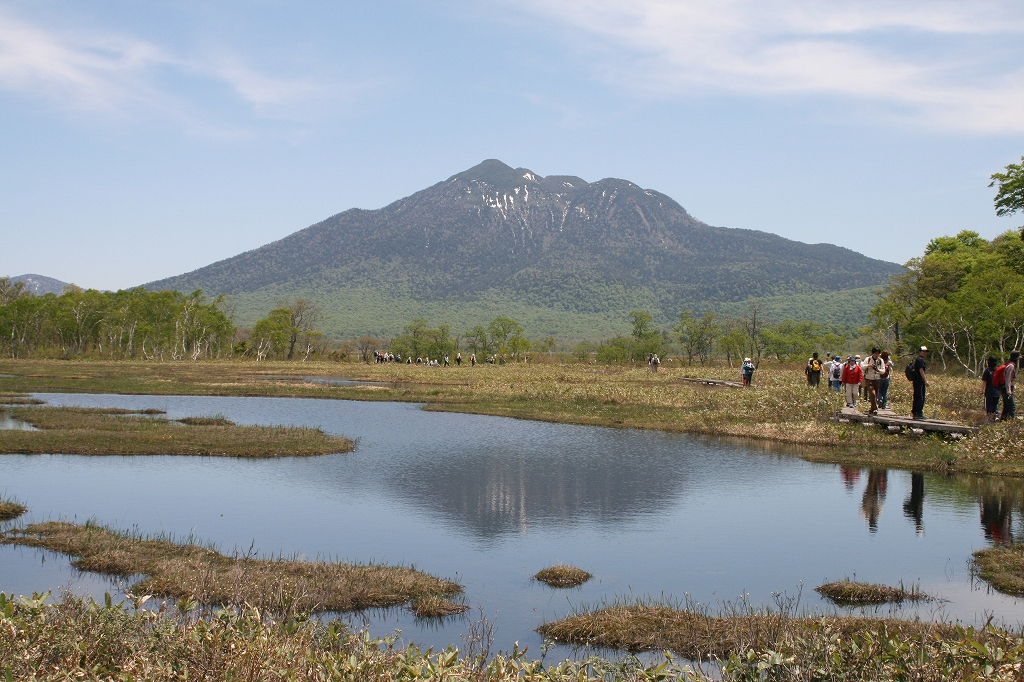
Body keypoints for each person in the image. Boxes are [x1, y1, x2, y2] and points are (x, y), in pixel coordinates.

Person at [861, 348, 884, 415]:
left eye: (878, 353)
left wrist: (878, 370)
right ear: (873, 353)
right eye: (875, 353)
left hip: (877, 379)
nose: (877, 355)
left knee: (875, 395)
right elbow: (862, 367)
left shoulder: (880, 360)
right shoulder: (868, 359)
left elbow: (883, 371)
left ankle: (872, 409)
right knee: (872, 393)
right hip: (869, 379)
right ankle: (875, 409)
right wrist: (869, 365)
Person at [910, 346, 928, 420]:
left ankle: (916, 412)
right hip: (919, 381)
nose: (924, 353)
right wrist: (925, 381)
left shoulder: (918, 359)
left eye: (925, 352)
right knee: (920, 397)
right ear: (920, 352)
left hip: (917, 381)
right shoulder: (920, 360)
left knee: (917, 396)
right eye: (923, 351)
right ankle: (918, 413)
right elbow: (921, 370)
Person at [1001, 350, 1020, 421]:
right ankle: (1011, 422)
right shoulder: (1011, 366)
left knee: (1006, 407)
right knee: (1012, 407)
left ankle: (1002, 421)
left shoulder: (1009, 364)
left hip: (1004, 388)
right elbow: (1008, 379)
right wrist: (1008, 390)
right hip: (1006, 389)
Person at [981, 356, 1001, 421]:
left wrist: (982, 390)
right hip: (997, 392)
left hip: (989, 392)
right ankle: (996, 417)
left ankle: (990, 419)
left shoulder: (987, 371)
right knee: (995, 405)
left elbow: (984, 382)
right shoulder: (998, 370)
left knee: (989, 406)